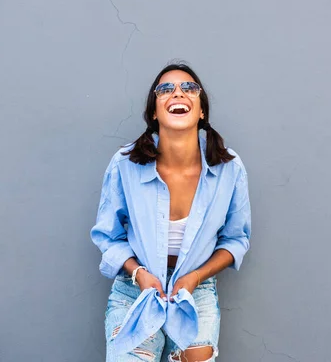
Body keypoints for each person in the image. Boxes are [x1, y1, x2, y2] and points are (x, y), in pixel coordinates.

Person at [90, 62, 251, 362]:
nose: (178, 93)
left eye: (189, 88)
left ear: (202, 110)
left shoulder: (229, 168)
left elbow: (235, 240)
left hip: (195, 294)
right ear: (154, 111)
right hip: (134, 293)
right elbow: (107, 236)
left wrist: (194, 277)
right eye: (165, 90)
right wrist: (138, 274)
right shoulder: (125, 164)